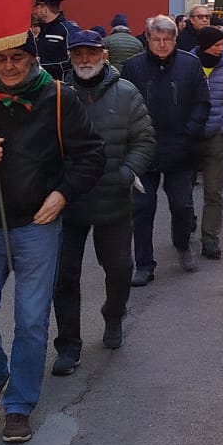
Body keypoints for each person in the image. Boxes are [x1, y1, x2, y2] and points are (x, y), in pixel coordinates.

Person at [0, 36, 105, 444]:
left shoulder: (59, 98)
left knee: (31, 320)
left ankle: (19, 405)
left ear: (32, 59)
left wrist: (62, 194)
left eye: (17, 57)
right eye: (1, 58)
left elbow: (91, 155)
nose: (9, 66)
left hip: (36, 225)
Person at [53, 28, 155, 375]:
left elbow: (144, 140)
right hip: (67, 202)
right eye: (78, 53)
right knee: (63, 277)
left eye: (91, 53)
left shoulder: (126, 93)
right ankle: (68, 344)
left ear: (104, 55)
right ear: (70, 57)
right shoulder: (57, 96)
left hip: (113, 198)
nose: (85, 60)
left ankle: (114, 316)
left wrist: (126, 174)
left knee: (119, 269)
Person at [121, 15, 208, 283]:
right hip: (143, 149)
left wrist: (189, 133)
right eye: (155, 39)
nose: (161, 45)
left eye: (166, 40)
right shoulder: (133, 67)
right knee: (142, 208)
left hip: (180, 148)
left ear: (175, 39)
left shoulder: (190, 65)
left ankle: (182, 245)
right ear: (147, 39)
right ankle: (144, 264)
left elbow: (202, 103)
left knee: (182, 205)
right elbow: (124, 104)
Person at [193, 26, 223, 261]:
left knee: (214, 191)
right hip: (189, 137)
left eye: (222, 45)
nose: (221, 49)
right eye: (217, 45)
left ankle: (210, 238)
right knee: (181, 190)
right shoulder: (188, 65)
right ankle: (184, 227)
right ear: (204, 46)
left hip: (216, 138)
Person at [30, 0, 73, 69]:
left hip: (58, 79)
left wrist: (41, 68)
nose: (34, 11)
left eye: (37, 8)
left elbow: (73, 59)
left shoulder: (67, 29)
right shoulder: (39, 28)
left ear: (45, 10)